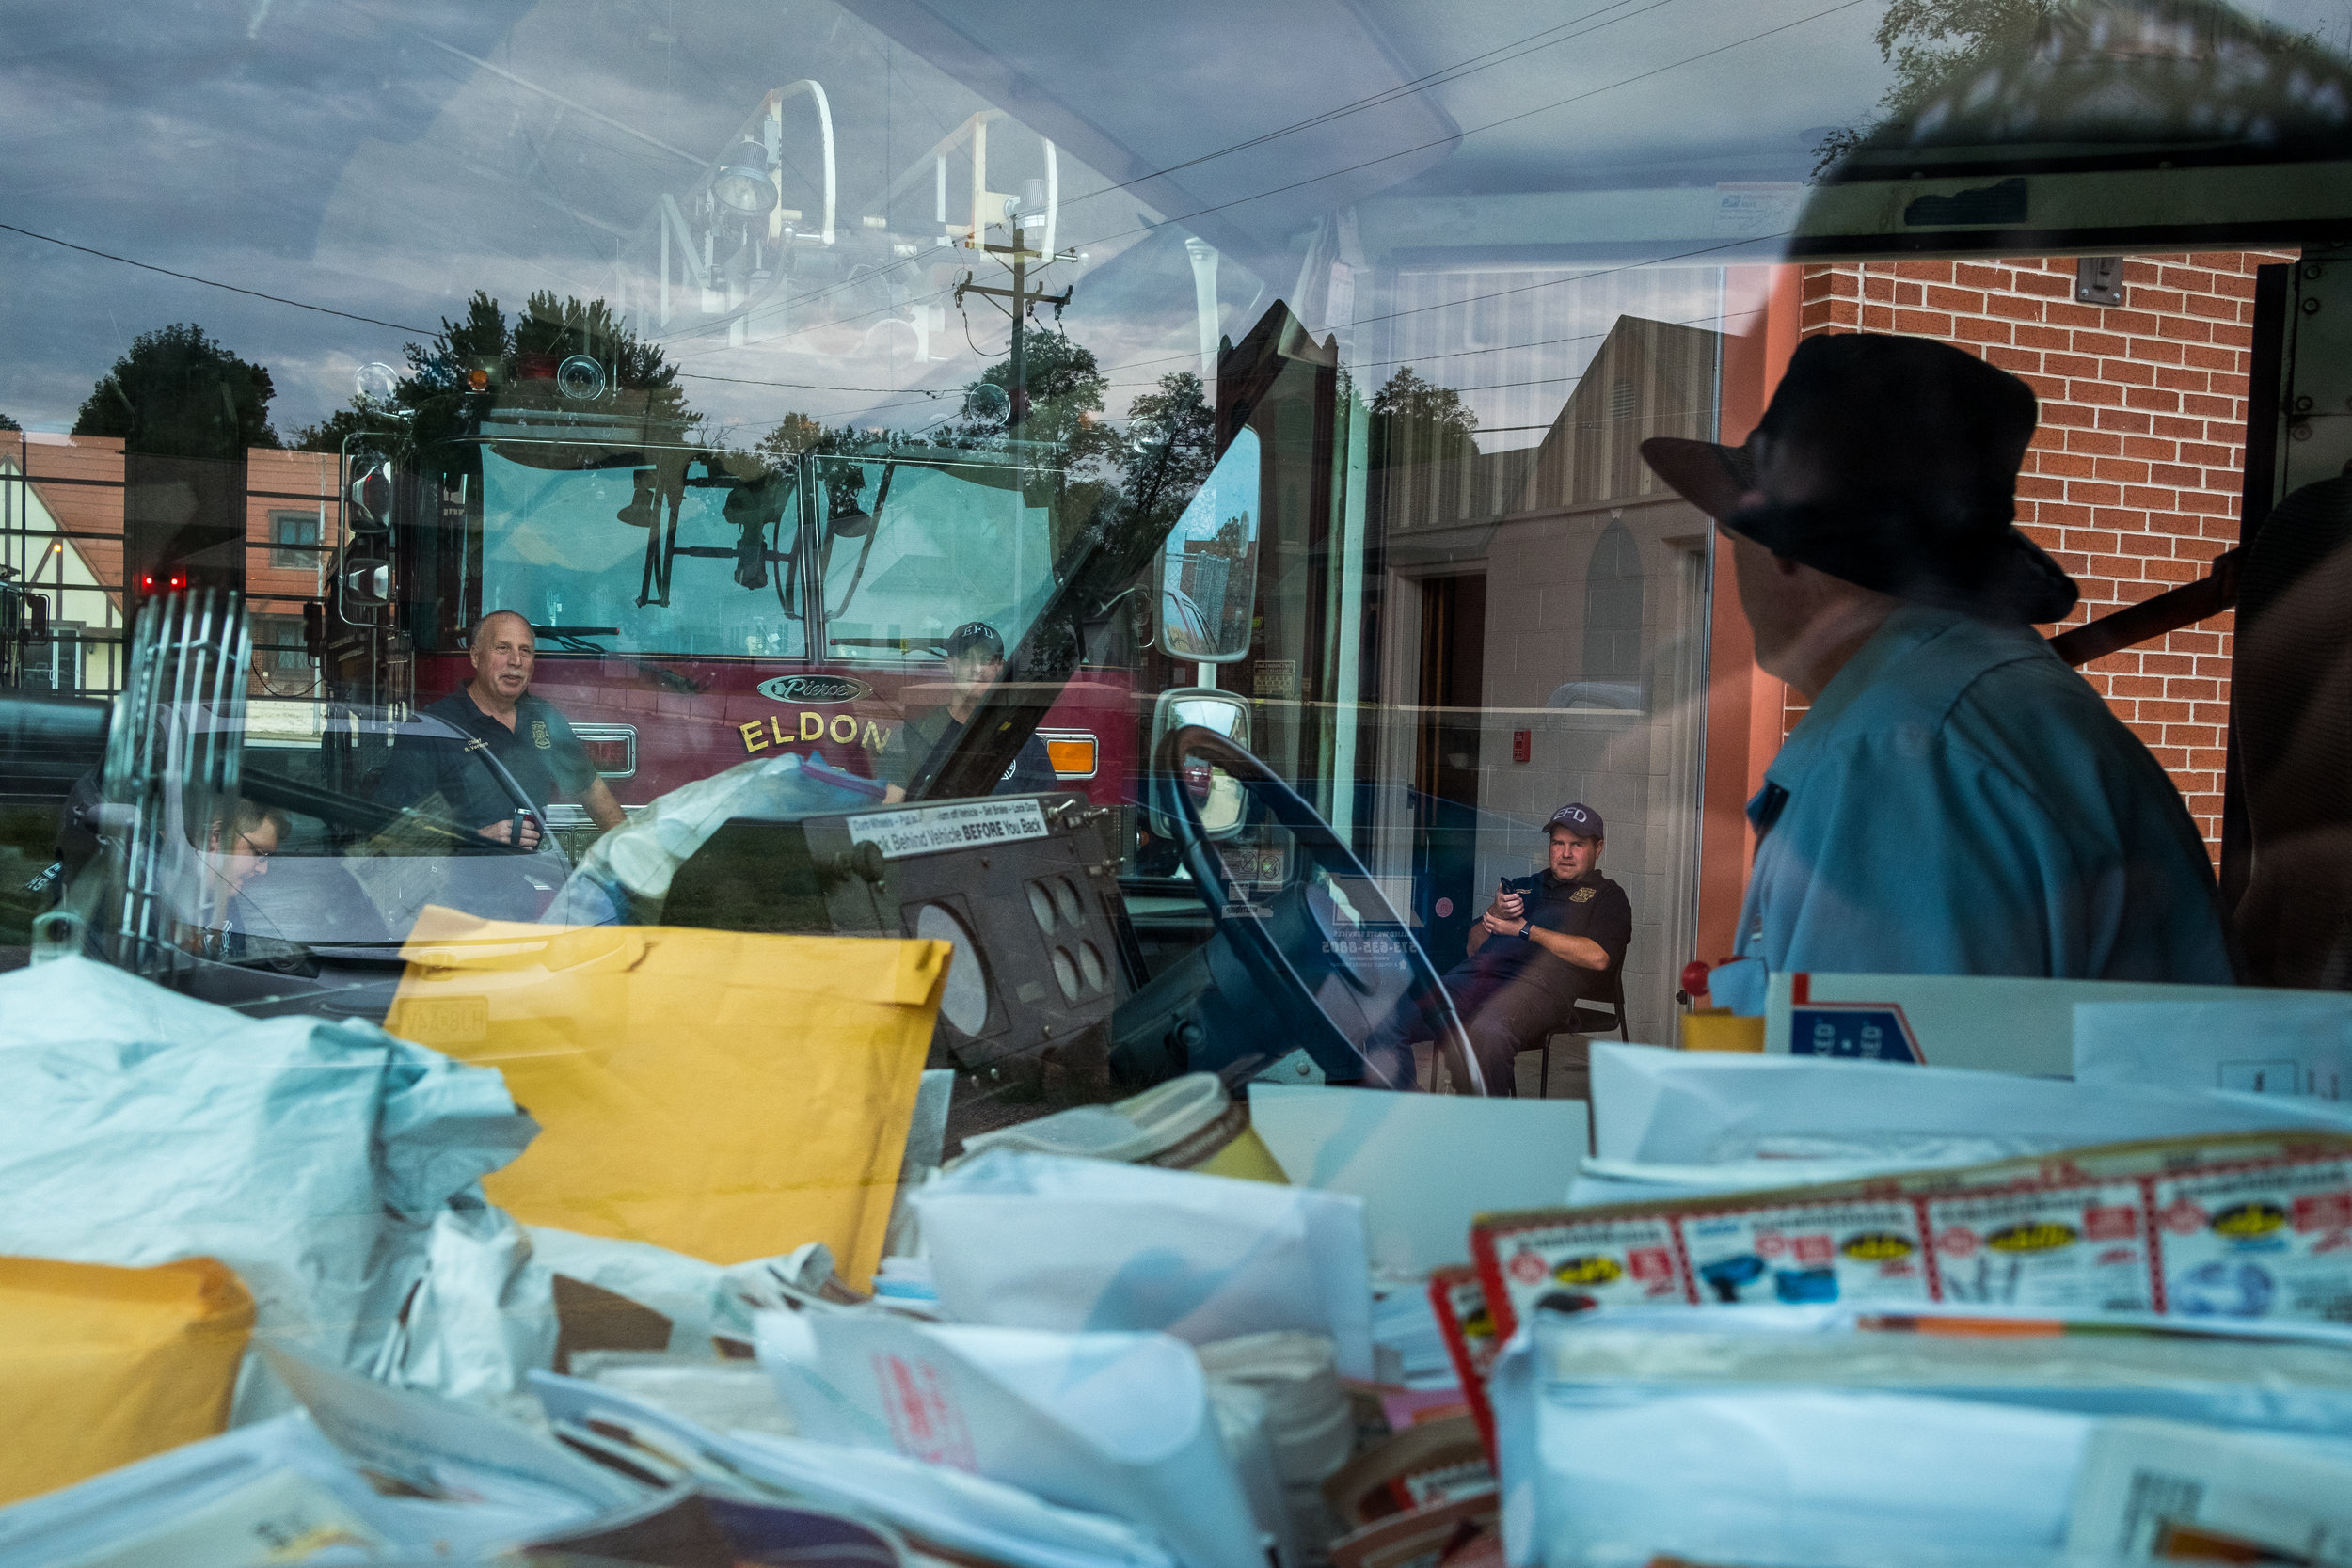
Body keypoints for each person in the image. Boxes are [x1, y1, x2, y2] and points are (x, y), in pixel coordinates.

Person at [1638, 331, 2232, 983]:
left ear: (1782, 547)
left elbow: (1872, 1080)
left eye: (1731, 528)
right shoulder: (1953, 712)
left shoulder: (1900, 758)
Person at [1361, 803, 1632, 1096]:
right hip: (1474, 978)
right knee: (1388, 1017)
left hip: (1539, 989)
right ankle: (1413, 1110)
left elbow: (1598, 957)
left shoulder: (1607, 896)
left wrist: (1526, 930)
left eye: (1577, 845)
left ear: (1598, 847)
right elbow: (1473, 945)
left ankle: (1492, 1130)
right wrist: (1496, 913)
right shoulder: (1524, 886)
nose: (1566, 853)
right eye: (1558, 843)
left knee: (1486, 1035)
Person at [377, 610, 626, 847]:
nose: (515, 661)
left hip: (526, 879)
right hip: (456, 886)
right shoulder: (433, 727)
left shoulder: (544, 718)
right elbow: (392, 828)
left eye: (525, 651)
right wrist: (475, 839)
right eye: (502, 648)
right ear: (475, 656)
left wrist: (640, 854)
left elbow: (591, 790)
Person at [882, 621, 1058, 800]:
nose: (977, 669)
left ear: (1000, 667)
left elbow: (1046, 809)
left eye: (987, 660)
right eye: (966, 658)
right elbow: (892, 808)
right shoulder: (915, 735)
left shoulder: (1022, 739)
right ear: (950, 665)